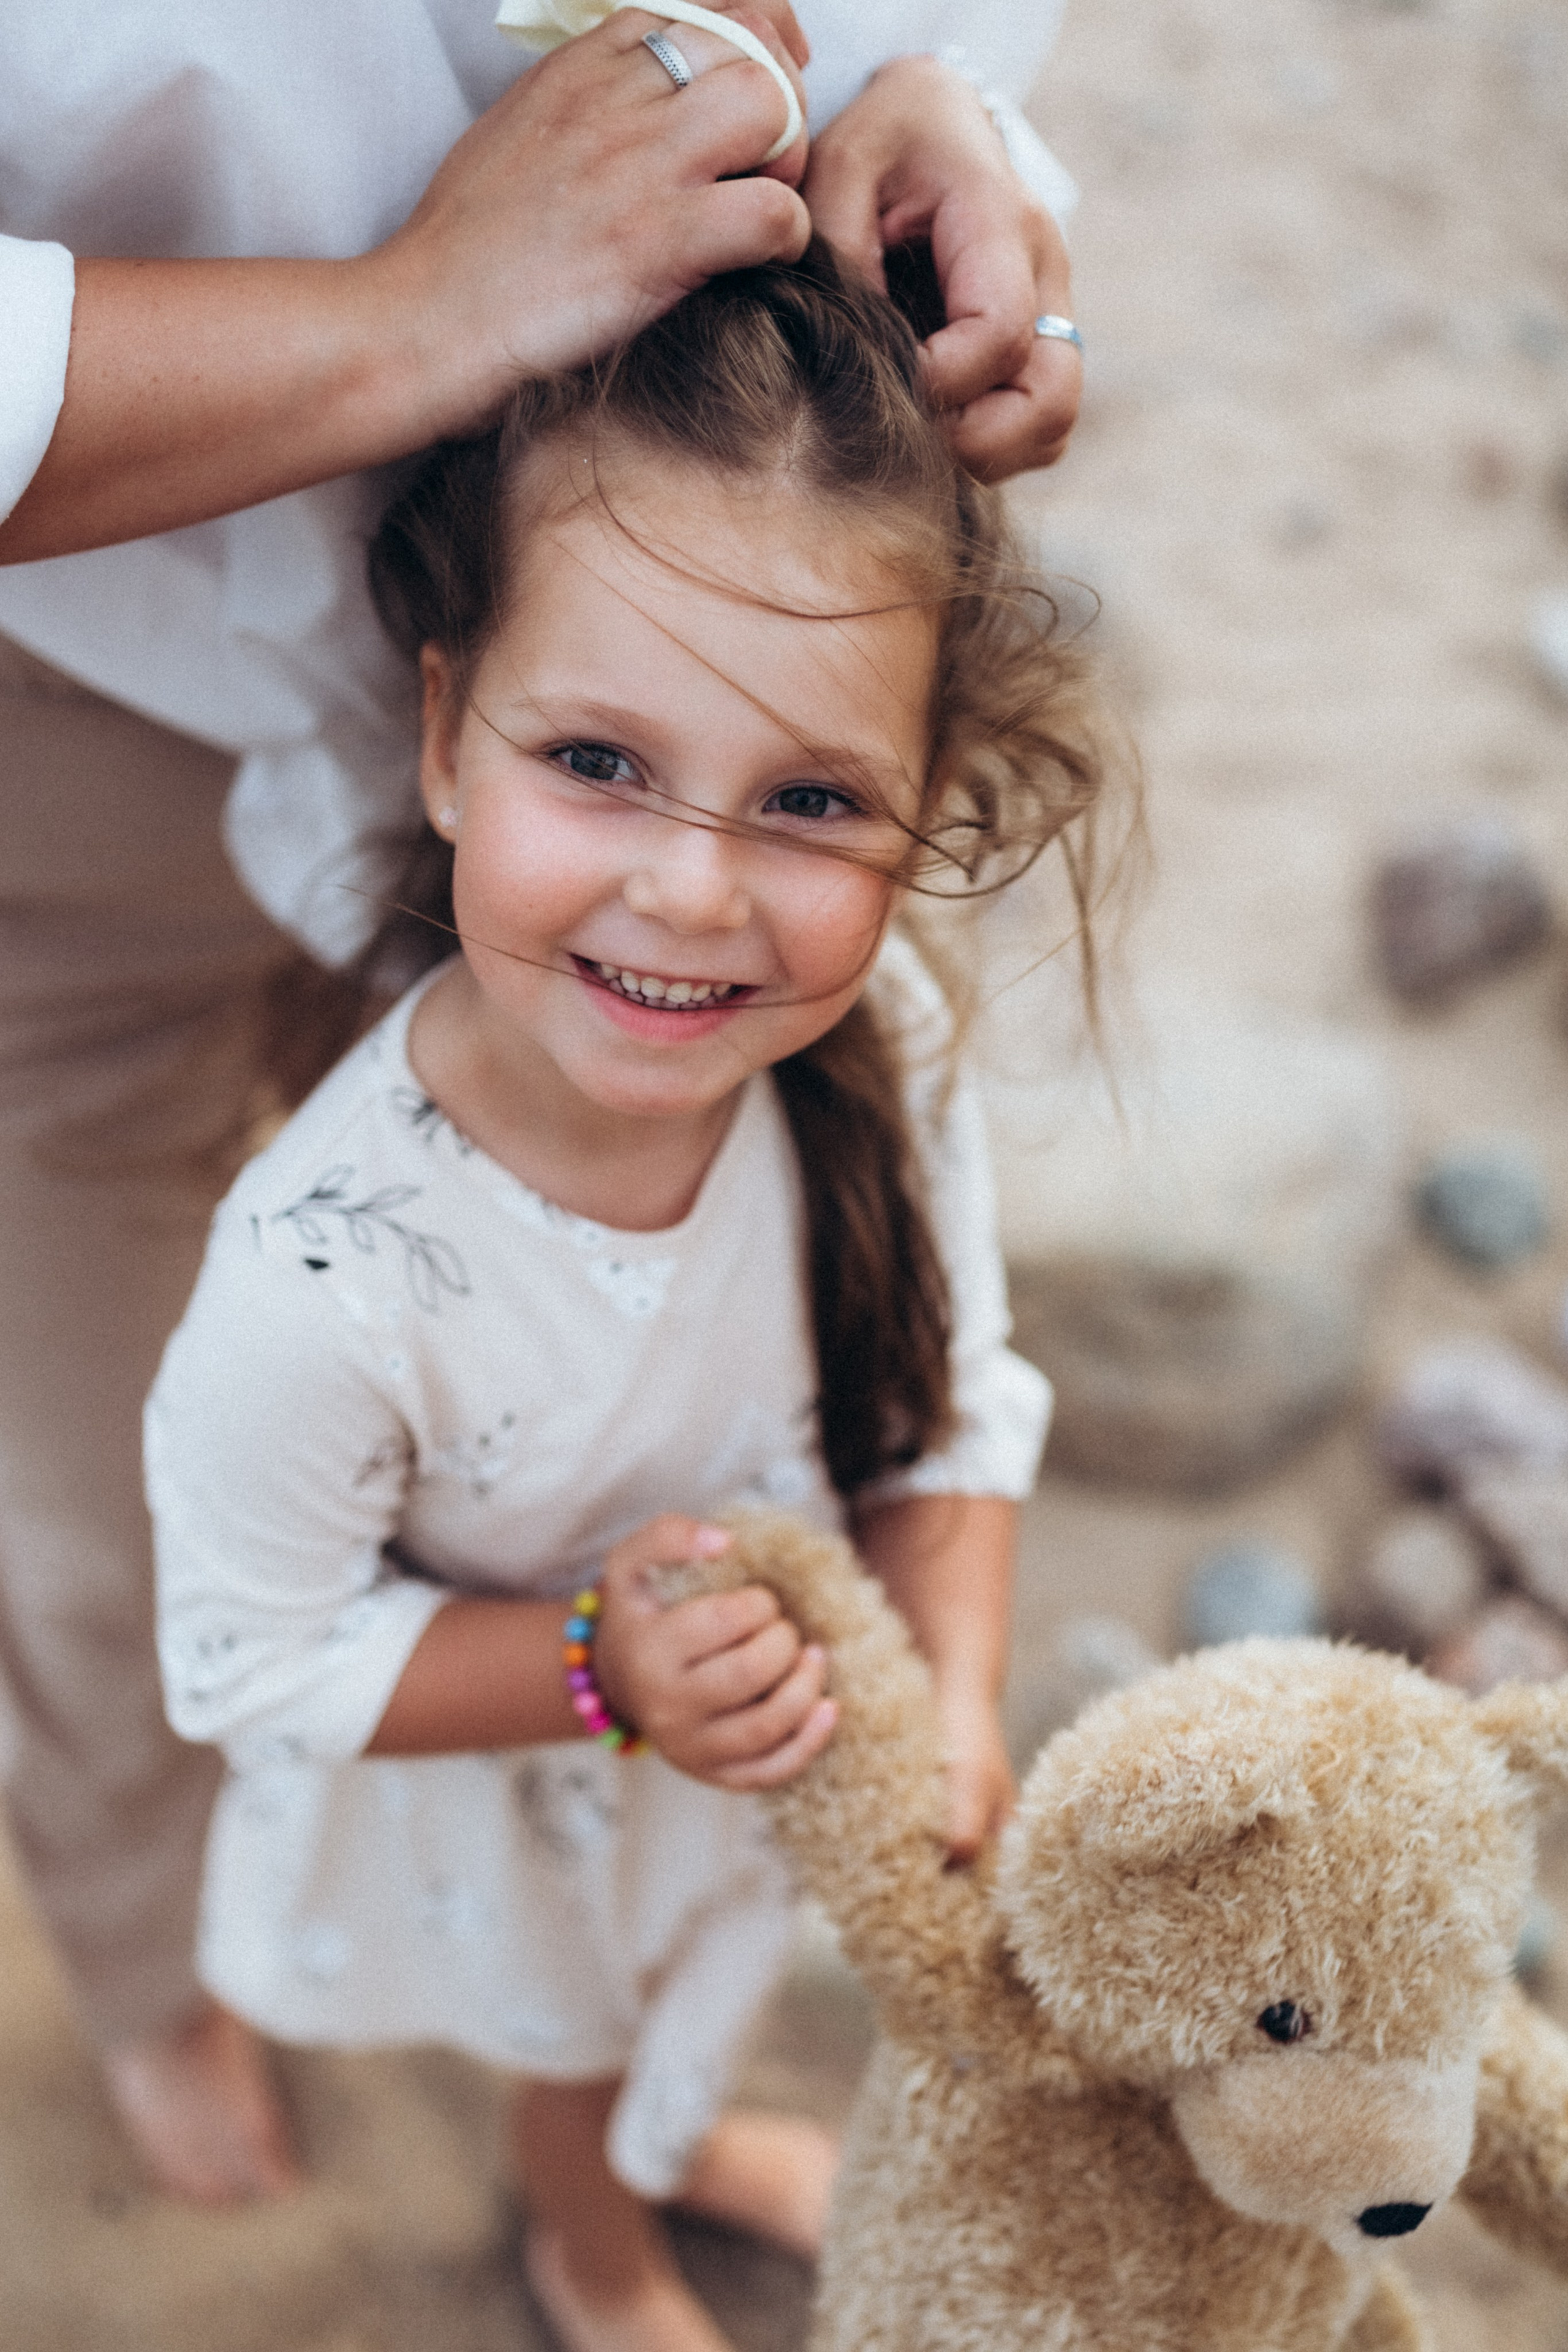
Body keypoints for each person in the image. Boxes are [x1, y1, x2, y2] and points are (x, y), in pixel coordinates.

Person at [0, 0, 1082, 2208]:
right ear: (450, 734)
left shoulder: (851, 1043)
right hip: (93, 663)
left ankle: (601, 2173)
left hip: (687, 569)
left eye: (814, 808)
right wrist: (398, 319)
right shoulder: (326, 1268)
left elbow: (946, 1391)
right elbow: (250, 1629)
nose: (693, 889)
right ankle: (157, 1970)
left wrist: (941, 123)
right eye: (612, 784)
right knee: (98, 1506)